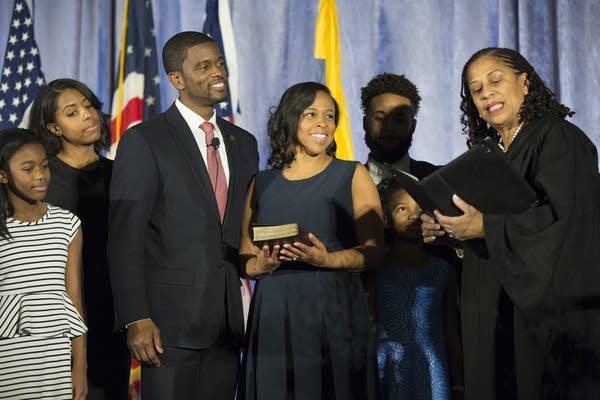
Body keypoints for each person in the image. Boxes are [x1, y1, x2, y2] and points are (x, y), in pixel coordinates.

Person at [421, 47, 600, 399]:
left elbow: (572, 224)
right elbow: (492, 232)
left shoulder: (559, 138)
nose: (486, 93)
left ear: (525, 82)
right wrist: (454, 233)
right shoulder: (487, 157)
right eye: (476, 89)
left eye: (495, 80)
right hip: (492, 312)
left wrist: (486, 227)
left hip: (546, 323)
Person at [107, 31, 259, 400]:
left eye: (219, 63)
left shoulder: (245, 143)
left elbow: (244, 227)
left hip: (226, 323)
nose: (217, 72)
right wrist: (135, 317)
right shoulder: (145, 140)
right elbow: (124, 238)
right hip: (166, 328)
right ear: (177, 79)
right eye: (204, 66)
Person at [237, 82, 384, 400]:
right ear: (290, 119)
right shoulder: (261, 183)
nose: (323, 123)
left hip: (334, 310)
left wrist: (327, 259)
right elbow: (244, 257)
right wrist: (259, 266)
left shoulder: (352, 174)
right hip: (274, 312)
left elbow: (375, 252)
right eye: (311, 114)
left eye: (329, 116)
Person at [28, 78, 129, 400]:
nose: (88, 115)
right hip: (53, 316)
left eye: (89, 107)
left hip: (112, 314)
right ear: (53, 128)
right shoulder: (40, 181)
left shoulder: (122, 174)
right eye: (72, 112)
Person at [0, 128, 87, 400]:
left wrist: (80, 366)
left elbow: (74, 300)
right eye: (28, 169)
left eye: (44, 166)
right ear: (3, 175)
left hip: (54, 361)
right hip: (8, 361)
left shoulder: (67, 224)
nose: (40, 175)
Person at [375, 177, 463, 400]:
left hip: (434, 370)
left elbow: (451, 332)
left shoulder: (443, 270)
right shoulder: (376, 271)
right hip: (388, 368)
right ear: (385, 218)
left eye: (419, 209)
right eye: (402, 209)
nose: (413, 216)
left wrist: (458, 385)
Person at [361, 73, 437, 184]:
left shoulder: (437, 180)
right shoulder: (343, 183)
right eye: (380, 118)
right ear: (365, 123)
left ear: (413, 126)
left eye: (399, 120)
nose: (389, 128)